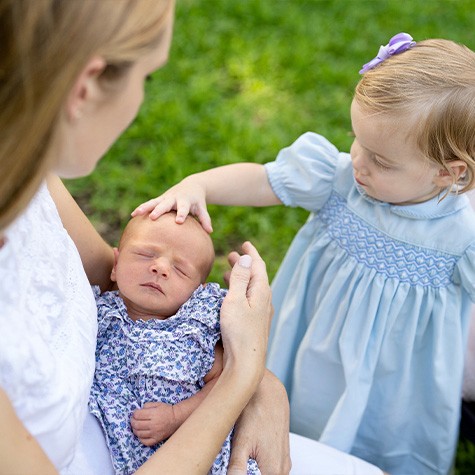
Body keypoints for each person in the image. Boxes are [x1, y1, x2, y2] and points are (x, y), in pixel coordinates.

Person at [134, 33, 475, 474]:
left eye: (381, 160)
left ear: (450, 172)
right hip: (310, 332)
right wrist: (200, 184)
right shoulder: (338, 180)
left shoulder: (461, 236)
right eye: (357, 140)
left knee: (377, 436)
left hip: (394, 374)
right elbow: (263, 180)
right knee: (294, 400)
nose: (357, 160)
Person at [0, 1, 288, 473]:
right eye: (147, 77)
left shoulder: (25, 172)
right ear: (85, 87)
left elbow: (122, 281)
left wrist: (261, 385)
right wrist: (242, 379)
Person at [89, 212, 258, 474]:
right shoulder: (96, 314)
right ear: (115, 264)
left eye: (180, 269)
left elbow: (225, 382)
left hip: (200, 457)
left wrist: (176, 416)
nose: (161, 268)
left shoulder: (192, 334)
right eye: (145, 254)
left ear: (195, 292)